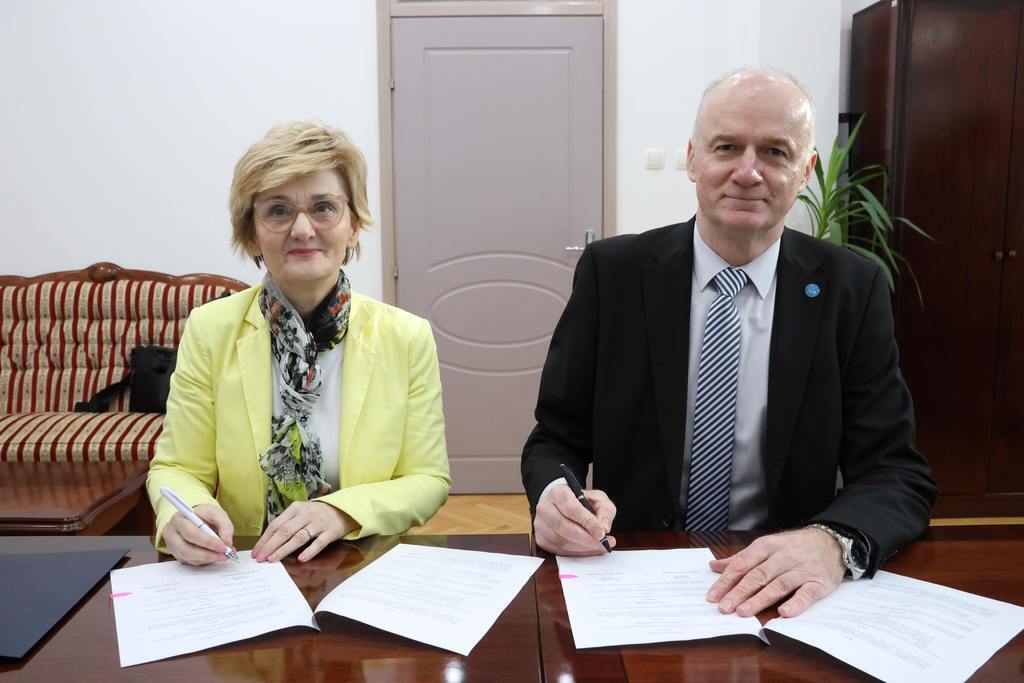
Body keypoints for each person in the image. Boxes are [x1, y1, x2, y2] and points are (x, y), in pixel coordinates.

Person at [521, 68, 937, 618]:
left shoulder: (851, 289)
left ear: (806, 171)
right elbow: (555, 438)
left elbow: (897, 472)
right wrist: (555, 495)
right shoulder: (612, 274)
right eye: (727, 147)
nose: (748, 172)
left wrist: (830, 543)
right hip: (633, 572)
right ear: (693, 159)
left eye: (775, 152)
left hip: (781, 588)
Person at [147, 122, 451, 565]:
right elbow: (177, 468)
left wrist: (341, 512)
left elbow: (427, 479)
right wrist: (188, 511)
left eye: (324, 207)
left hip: (365, 562)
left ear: (354, 226)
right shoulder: (210, 329)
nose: (303, 229)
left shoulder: (406, 337)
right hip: (246, 564)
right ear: (251, 232)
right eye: (278, 210)